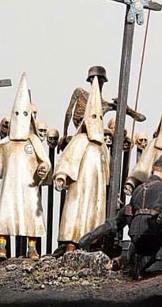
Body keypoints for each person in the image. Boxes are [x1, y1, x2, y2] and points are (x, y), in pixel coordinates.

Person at [0, 74, 52, 260]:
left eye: (24, 114)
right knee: (5, 214)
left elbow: (45, 161)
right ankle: (2, 246)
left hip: (29, 187)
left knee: (31, 216)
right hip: (9, 187)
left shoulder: (33, 141)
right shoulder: (7, 142)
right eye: (17, 114)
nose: (20, 117)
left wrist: (43, 169)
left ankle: (31, 248)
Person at [54, 76, 111, 251]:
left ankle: (92, 243)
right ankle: (71, 242)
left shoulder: (102, 147)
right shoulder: (80, 140)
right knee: (75, 213)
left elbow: (106, 169)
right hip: (79, 188)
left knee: (94, 215)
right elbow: (67, 159)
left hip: (97, 190)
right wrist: (61, 175)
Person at [60, 66, 145, 149]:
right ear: (90, 80)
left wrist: (126, 107)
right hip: (79, 134)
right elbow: (68, 113)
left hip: (96, 137)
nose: (97, 81)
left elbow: (141, 118)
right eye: (94, 78)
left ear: (104, 81)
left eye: (100, 79)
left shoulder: (106, 105)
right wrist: (65, 134)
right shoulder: (80, 93)